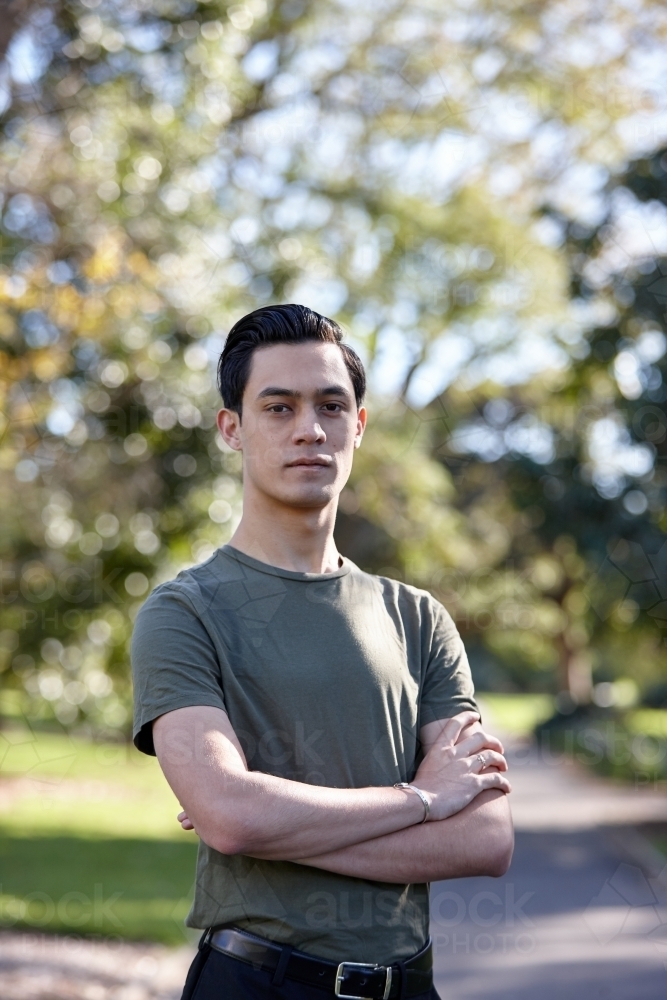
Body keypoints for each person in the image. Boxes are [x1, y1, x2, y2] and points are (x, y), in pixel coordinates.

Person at [131, 304, 513, 1000]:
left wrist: (274, 820)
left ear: (358, 426)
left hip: (409, 986)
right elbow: (232, 816)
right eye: (277, 407)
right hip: (255, 982)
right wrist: (425, 797)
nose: (309, 428)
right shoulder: (184, 612)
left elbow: (484, 839)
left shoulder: (418, 619)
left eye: (330, 406)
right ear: (232, 429)